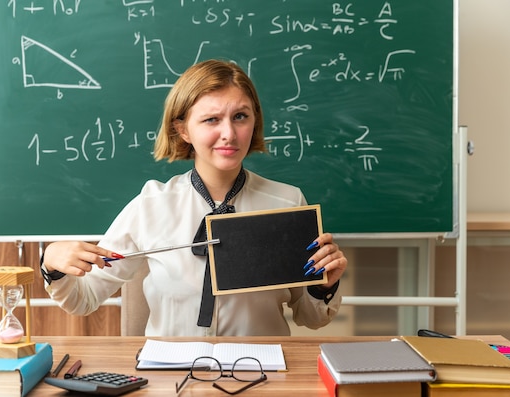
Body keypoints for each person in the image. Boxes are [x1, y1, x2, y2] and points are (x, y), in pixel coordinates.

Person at [41, 59, 347, 336]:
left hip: (261, 371)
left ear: (254, 121)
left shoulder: (287, 203)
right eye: (211, 120)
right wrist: (51, 264)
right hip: (171, 376)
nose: (229, 133)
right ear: (182, 129)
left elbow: (311, 318)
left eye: (240, 116)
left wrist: (325, 287)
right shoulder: (151, 205)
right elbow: (83, 300)